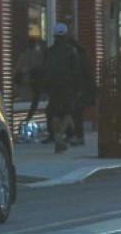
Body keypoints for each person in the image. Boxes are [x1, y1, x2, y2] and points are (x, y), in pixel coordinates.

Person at [38, 23, 83, 153]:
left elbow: (44, 70)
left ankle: (58, 137)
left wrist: (45, 86)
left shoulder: (50, 51)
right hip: (68, 87)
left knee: (55, 113)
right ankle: (59, 136)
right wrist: (78, 87)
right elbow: (76, 71)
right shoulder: (71, 51)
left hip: (53, 87)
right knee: (68, 113)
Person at [15, 35, 46, 127]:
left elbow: (18, 68)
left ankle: (28, 118)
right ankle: (29, 117)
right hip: (35, 82)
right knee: (34, 100)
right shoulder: (39, 55)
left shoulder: (28, 55)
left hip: (32, 82)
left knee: (33, 100)